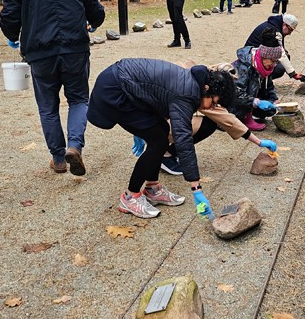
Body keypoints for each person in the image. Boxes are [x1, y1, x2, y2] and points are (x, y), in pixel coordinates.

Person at [0, 0, 105, 176]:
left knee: (48, 106)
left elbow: (9, 18)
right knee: (78, 99)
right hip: (75, 50)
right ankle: (75, 146)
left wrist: (13, 37)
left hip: (39, 53)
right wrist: (93, 24)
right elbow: (96, 12)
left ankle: (58, 158)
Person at [86, 58, 237, 219]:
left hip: (128, 85)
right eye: (213, 102)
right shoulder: (188, 93)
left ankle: (152, 189)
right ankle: (130, 197)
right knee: (159, 142)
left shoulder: (196, 83)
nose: (209, 108)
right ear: (207, 89)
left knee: (162, 132)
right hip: (116, 90)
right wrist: (196, 189)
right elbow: (183, 141)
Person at [146, 61, 278, 176]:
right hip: (152, 119)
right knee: (202, 125)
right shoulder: (199, 91)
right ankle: (164, 155)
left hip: (151, 114)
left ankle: (162, 149)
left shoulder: (200, 77)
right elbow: (228, 120)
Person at [232, 29, 285, 131]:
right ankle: (245, 118)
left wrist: (273, 99)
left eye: (276, 61)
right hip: (232, 101)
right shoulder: (245, 67)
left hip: (250, 97)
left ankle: (250, 113)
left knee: (269, 111)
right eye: (272, 61)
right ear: (264, 56)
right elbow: (237, 92)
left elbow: (269, 86)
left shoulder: (265, 67)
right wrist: (255, 102)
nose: (274, 65)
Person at [244, 13, 305, 82]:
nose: (289, 33)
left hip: (251, 55)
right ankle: (261, 80)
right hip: (251, 60)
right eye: (290, 30)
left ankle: (264, 79)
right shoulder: (275, 32)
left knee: (286, 56)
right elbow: (281, 55)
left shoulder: (273, 25)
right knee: (280, 68)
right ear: (284, 24)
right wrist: (293, 74)